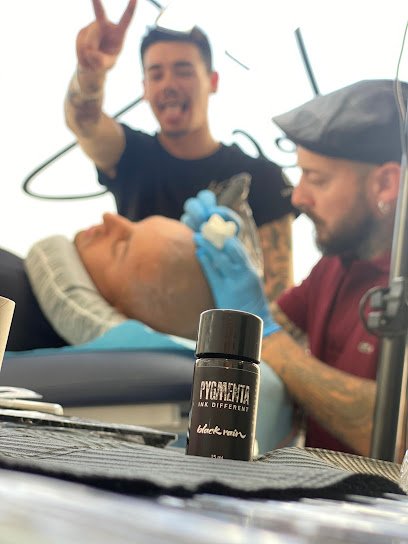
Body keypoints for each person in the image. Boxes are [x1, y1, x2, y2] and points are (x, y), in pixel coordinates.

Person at [184, 78, 408, 457]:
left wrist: (267, 336)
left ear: (386, 183)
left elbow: (393, 433)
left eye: (316, 178)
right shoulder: (334, 265)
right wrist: (217, 260)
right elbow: (271, 325)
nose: (299, 197)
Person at [64, 0, 296, 303]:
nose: (169, 84)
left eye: (183, 71)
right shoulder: (131, 155)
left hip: (227, 331)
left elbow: (279, 298)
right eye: (156, 74)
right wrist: (90, 74)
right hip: (134, 325)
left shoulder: (264, 178)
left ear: (213, 81)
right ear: (144, 88)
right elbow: (85, 123)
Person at [0, 213, 214, 351]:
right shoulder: (26, 286)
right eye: (135, 222)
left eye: (120, 246)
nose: (110, 218)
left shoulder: (11, 306)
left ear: (122, 310)